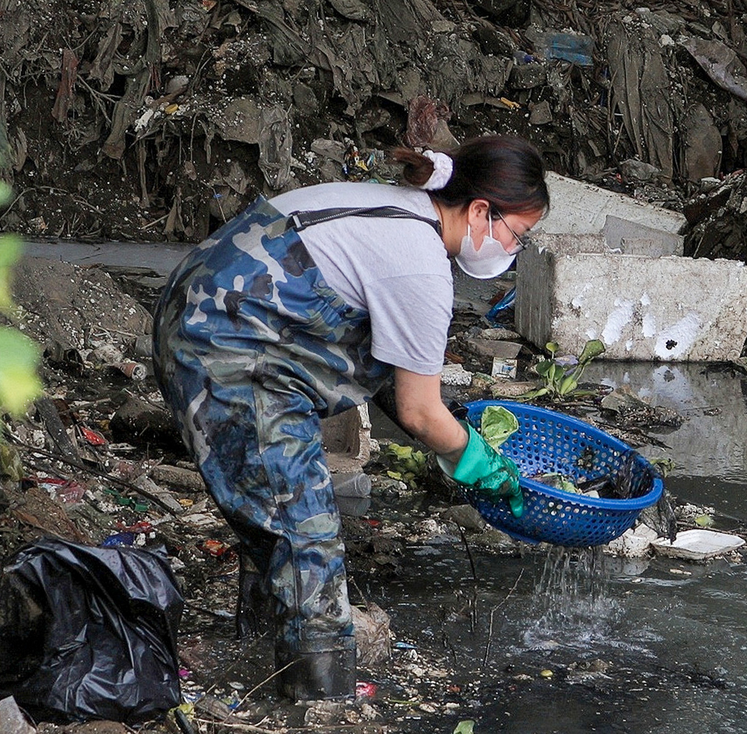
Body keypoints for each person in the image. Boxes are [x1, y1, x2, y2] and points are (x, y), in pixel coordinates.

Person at [152, 135, 549, 701]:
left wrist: (451, 436)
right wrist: (486, 467)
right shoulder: (421, 267)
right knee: (306, 532)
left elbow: (392, 372)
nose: (514, 249)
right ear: (482, 211)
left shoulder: (398, 209)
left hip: (202, 317)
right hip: (225, 349)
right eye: (519, 235)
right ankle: (321, 701)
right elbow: (417, 410)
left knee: (276, 506)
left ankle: (259, 652)